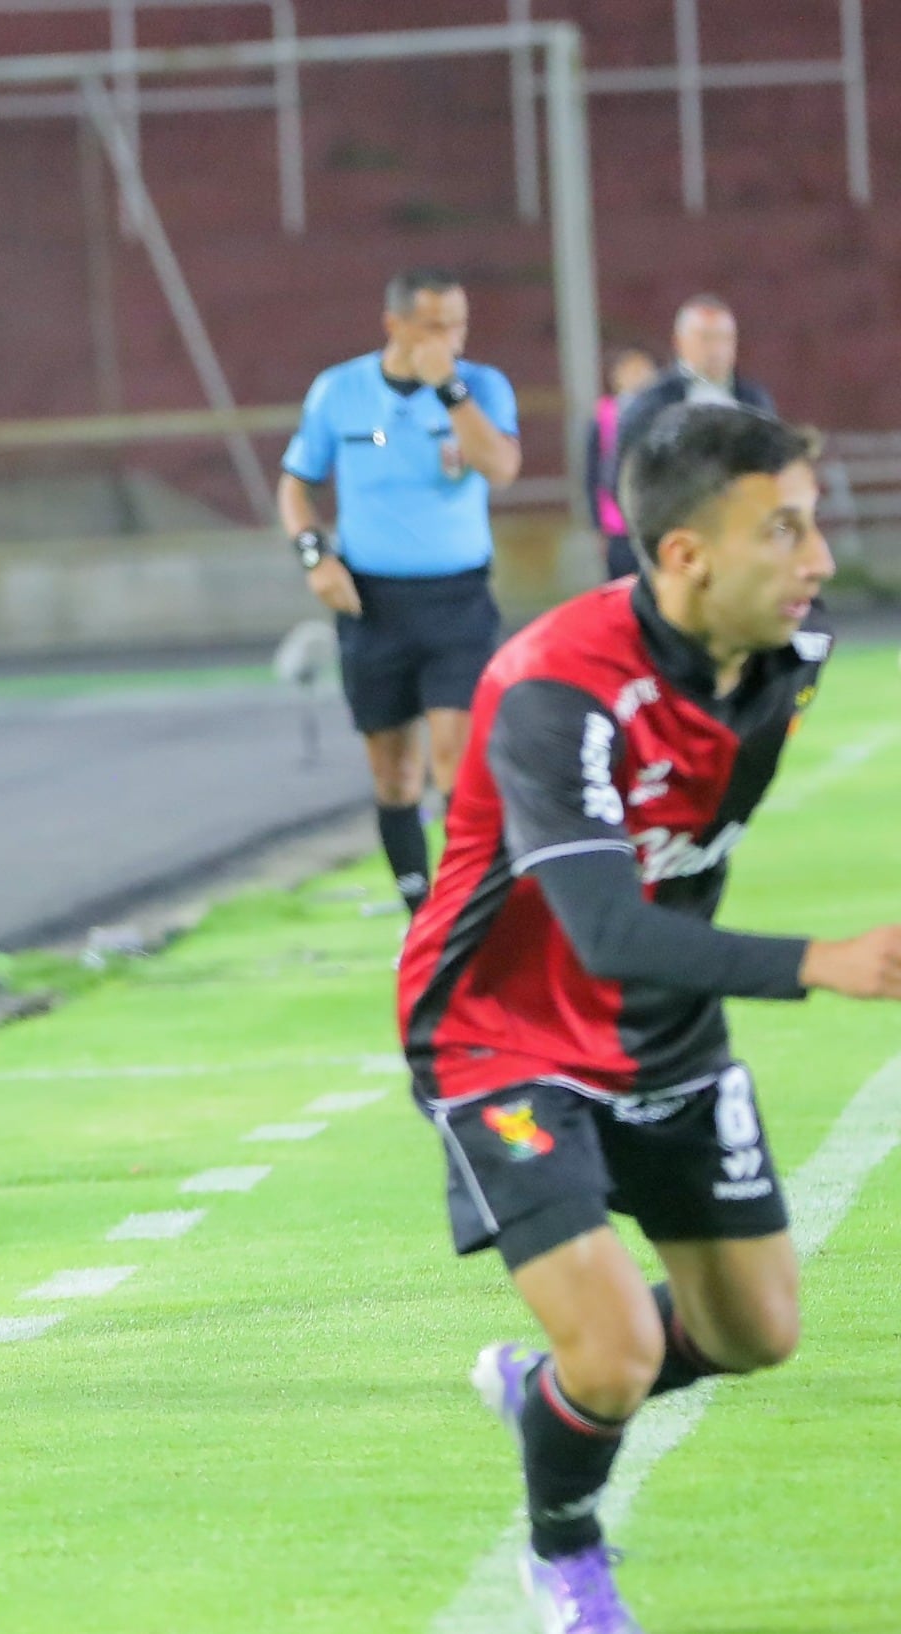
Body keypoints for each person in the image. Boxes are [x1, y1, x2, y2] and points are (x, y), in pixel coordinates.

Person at [397, 403, 901, 1632]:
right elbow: (604, 928)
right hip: (501, 1032)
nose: (817, 558)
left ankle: (550, 1391)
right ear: (683, 553)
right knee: (620, 1348)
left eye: (813, 524)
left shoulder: (787, 661)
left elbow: (686, 854)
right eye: (782, 530)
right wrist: (822, 961)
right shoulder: (552, 689)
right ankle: (565, 1558)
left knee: (754, 1331)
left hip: (662, 1030)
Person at [279, 267, 523, 917]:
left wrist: (450, 388)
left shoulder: (481, 388)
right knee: (394, 773)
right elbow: (296, 485)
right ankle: (421, 916)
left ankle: (473, 911)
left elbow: (501, 467)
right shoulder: (340, 391)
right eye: (435, 326)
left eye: (459, 325)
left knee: (456, 760)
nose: (451, 339)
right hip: (373, 604)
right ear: (395, 325)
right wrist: (315, 557)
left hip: (457, 601)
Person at [613, 295, 775, 500]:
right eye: (705, 338)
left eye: (724, 338)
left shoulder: (754, 400)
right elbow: (625, 477)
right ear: (679, 342)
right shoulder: (651, 404)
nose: (716, 350)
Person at [581, 345, 659, 580]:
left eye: (644, 370)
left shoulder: (663, 410)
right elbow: (592, 473)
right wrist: (598, 526)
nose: (639, 377)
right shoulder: (604, 416)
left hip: (656, 521)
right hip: (617, 525)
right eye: (631, 370)